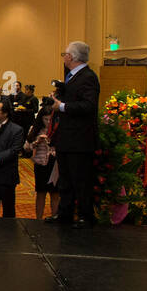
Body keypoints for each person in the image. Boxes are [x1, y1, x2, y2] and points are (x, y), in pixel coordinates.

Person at [51, 41, 100, 228]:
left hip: (80, 139)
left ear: (70, 57)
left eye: (65, 54)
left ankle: (86, 216)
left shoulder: (88, 77)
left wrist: (61, 106)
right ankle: (65, 213)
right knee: (66, 179)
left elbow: (89, 106)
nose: (64, 57)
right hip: (67, 138)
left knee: (81, 180)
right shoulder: (72, 77)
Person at [26, 102, 60, 221]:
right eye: (45, 119)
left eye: (50, 119)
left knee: (55, 193)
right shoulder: (35, 129)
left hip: (55, 164)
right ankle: (38, 219)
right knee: (40, 193)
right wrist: (36, 142)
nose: (48, 122)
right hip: (40, 164)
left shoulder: (58, 130)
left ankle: (55, 216)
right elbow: (26, 148)